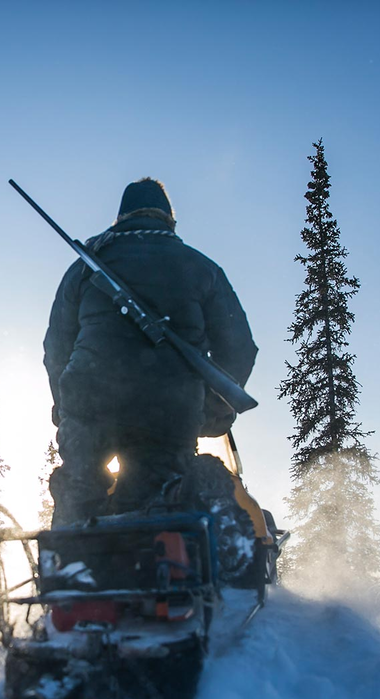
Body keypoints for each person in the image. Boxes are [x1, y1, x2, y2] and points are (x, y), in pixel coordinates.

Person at [43, 178, 257, 528]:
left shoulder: (84, 267)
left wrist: (65, 406)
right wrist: (210, 412)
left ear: (120, 217)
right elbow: (239, 348)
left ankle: (69, 571)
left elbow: (56, 347)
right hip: (168, 410)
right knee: (154, 507)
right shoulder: (202, 267)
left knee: (79, 495)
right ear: (169, 219)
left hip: (89, 401)